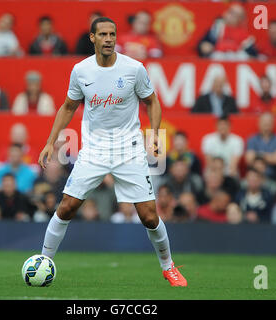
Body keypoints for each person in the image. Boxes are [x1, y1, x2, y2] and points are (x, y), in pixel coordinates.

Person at [38, 17, 187, 287]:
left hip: (128, 150)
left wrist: (153, 134)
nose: (109, 39)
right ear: (92, 38)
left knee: (149, 216)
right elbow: (68, 107)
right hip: (93, 150)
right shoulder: (81, 70)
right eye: (103, 34)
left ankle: (169, 267)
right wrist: (50, 141)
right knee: (67, 207)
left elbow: (152, 101)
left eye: (112, 34)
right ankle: (43, 261)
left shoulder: (134, 68)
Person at [245, 112, 276, 180]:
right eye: (264, 121)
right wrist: (271, 157)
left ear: (273, 124)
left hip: (274, 177)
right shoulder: (252, 140)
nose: (266, 124)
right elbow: (249, 160)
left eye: (269, 122)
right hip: (254, 177)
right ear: (259, 123)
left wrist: (259, 156)